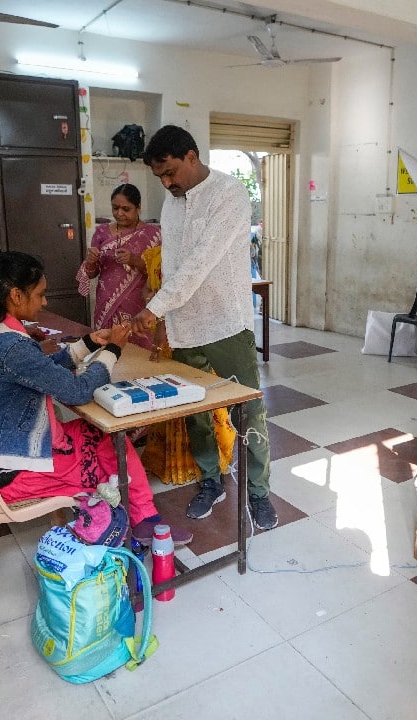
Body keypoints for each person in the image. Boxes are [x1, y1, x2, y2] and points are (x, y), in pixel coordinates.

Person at [0, 251, 191, 545]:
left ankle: (143, 520)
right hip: (9, 476)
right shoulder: (12, 347)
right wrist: (113, 352)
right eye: (40, 294)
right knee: (113, 447)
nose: (45, 301)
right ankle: (140, 522)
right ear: (16, 295)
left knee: (104, 434)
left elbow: (42, 370)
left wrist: (89, 343)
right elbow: (78, 392)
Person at [133, 125, 277, 529]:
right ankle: (211, 481)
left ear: (192, 157)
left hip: (225, 324)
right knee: (194, 412)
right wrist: (164, 320)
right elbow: (174, 264)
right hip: (183, 327)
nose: (166, 182)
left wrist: (154, 309)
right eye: (160, 176)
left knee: (247, 412)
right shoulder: (171, 202)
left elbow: (200, 263)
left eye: (171, 172)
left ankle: (258, 493)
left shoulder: (230, 195)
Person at [138, 244, 237, 485]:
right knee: (170, 396)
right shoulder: (155, 255)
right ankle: (176, 460)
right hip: (165, 335)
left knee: (195, 396)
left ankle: (204, 460)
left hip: (191, 334)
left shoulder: (198, 254)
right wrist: (152, 299)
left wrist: (161, 323)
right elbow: (148, 288)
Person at [76, 183, 161, 350]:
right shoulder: (101, 232)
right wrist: (91, 261)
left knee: (138, 347)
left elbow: (159, 273)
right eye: (115, 208)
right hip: (105, 302)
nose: (119, 213)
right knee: (104, 344)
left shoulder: (153, 234)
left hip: (138, 303)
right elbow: (93, 274)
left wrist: (135, 260)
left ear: (138, 208)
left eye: (126, 209)